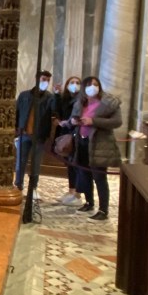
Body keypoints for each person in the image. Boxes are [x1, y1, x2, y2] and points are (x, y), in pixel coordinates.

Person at [70, 75, 121, 220]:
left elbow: (117, 122)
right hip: (82, 141)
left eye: (95, 84)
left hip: (100, 143)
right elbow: (73, 117)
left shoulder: (108, 104)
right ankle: (89, 202)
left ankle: (103, 210)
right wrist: (72, 121)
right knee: (84, 174)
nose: (92, 87)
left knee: (99, 177)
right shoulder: (81, 103)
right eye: (89, 85)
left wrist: (93, 121)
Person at [14, 70, 56, 192]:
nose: (45, 82)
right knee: (20, 162)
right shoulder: (24, 95)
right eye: (43, 79)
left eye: (48, 80)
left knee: (36, 164)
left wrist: (57, 95)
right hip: (24, 133)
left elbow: (54, 110)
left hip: (39, 135)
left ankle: (33, 188)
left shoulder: (50, 97)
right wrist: (16, 128)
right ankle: (18, 185)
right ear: (37, 79)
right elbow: (17, 112)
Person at [53, 75, 84, 204]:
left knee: (76, 165)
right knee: (69, 164)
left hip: (77, 134)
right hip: (65, 133)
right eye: (72, 82)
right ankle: (71, 191)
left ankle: (77, 194)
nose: (75, 85)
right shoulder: (65, 99)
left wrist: (69, 122)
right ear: (67, 85)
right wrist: (56, 94)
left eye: (77, 82)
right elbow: (57, 110)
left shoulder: (82, 100)